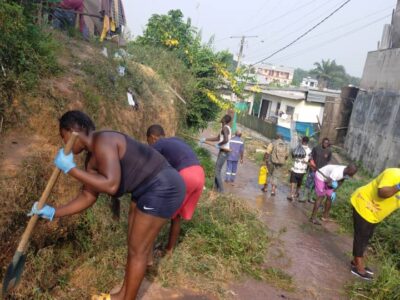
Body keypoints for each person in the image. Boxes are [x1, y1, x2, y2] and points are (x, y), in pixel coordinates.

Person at [28, 110, 186, 300]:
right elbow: (88, 195)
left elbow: (111, 185)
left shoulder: (103, 141)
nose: (64, 143)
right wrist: (54, 212)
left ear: (73, 131)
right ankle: (121, 295)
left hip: (163, 186)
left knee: (138, 250)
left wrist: (71, 170)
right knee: (133, 246)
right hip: (145, 189)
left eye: (64, 136)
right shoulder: (91, 160)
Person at [146, 124, 205, 256]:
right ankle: (169, 250)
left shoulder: (158, 144)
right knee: (176, 216)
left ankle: (146, 246)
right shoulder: (175, 140)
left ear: (153, 137)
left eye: (148, 141)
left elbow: (146, 160)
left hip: (186, 175)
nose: (150, 144)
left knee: (161, 211)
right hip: (200, 174)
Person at [350, 168, 400, 280]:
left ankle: (355, 261)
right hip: (363, 202)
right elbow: (382, 192)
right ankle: (358, 266)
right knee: (361, 236)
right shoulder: (393, 173)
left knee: (367, 235)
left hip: (375, 214)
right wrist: (398, 186)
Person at [200, 114, 232, 193]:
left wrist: (219, 145)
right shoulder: (225, 128)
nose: (221, 118)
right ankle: (215, 189)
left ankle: (221, 191)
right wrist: (205, 139)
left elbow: (226, 140)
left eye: (222, 117)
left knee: (217, 171)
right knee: (217, 170)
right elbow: (217, 138)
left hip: (224, 151)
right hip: (223, 151)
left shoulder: (225, 128)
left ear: (224, 120)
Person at [303, 137, 332, 203]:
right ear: (322, 142)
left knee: (315, 185)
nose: (326, 144)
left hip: (321, 172)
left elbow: (328, 161)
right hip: (313, 169)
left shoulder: (329, 151)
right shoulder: (316, 148)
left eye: (327, 143)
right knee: (308, 183)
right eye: (325, 143)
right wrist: (312, 163)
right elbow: (310, 156)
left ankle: (310, 198)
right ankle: (304, 197)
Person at [288, 136, 312, 201]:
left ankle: (291, 194)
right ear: (308, 142)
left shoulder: (297, 147)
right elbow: (310, 160)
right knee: (299, 182)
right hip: (303, 170)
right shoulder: (309, 150)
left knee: (293, 182)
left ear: (302, 141)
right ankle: (297, 193)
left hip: (295, 168)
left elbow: (292, 155)